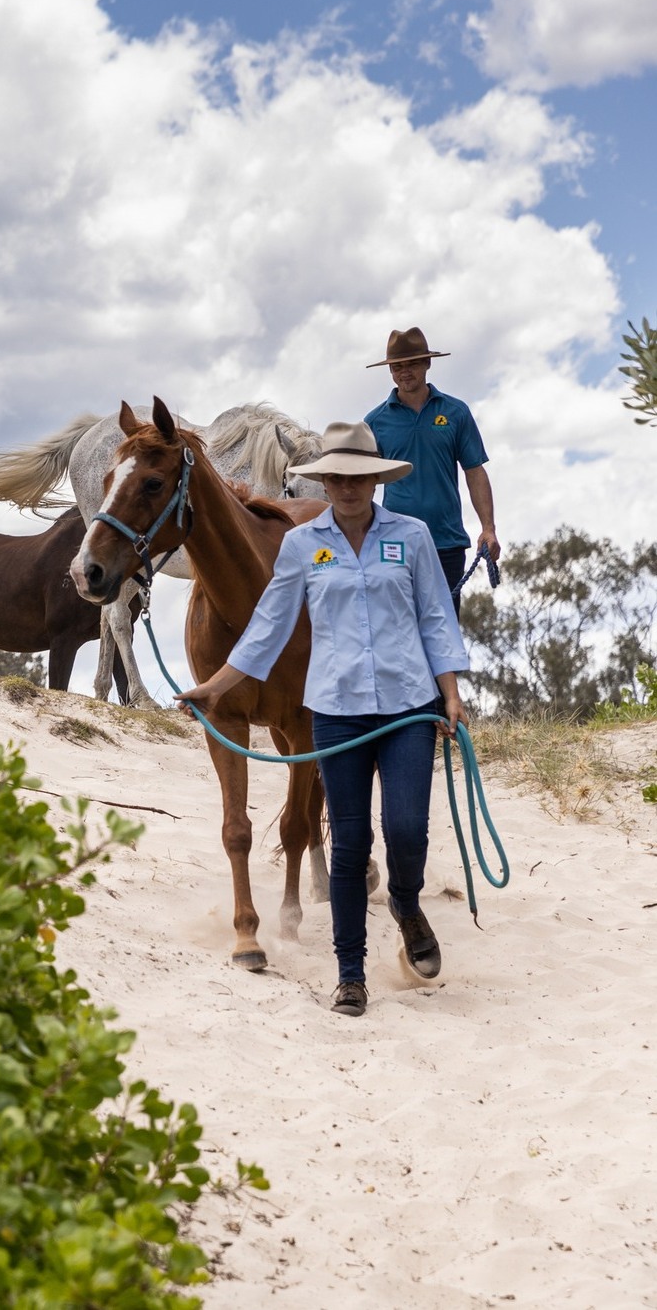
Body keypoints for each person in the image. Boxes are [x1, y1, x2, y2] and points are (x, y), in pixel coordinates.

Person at [174, 421, 469, 1017]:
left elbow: (437, 617)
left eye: (358, 476)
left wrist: (450, 694)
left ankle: (407, 907)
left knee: (407, 829)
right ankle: (351, 974)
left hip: (408, 706)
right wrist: (216, 686)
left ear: (374, 481)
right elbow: (269, 627)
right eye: (336, 477)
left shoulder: (409, 538)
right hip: (335, 709)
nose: (347, 486)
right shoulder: (303, 545)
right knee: (350, 841)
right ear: (325, 481)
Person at [364, 327, 500, 616]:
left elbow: (474, 471)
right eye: (397, 367)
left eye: (411, 364)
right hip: (393, 542)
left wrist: (488, 529)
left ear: (427, 363)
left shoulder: (455, 412)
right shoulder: (374, 422)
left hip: (446, 541)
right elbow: (364, 484)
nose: (404, 372)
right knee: (397, 627)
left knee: (444, 632)